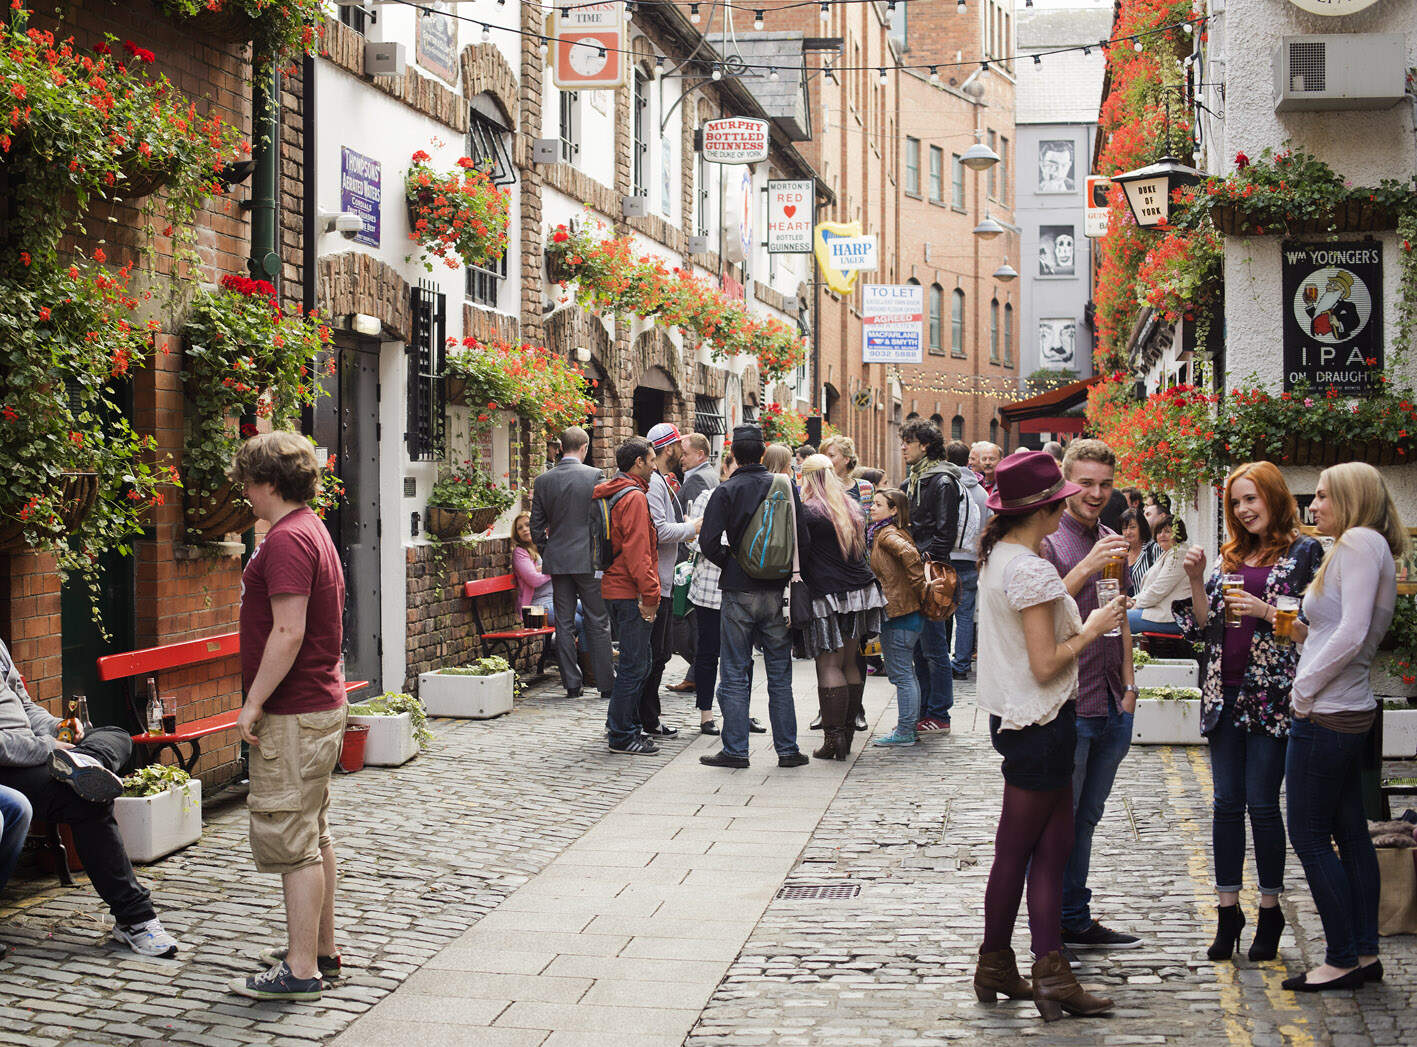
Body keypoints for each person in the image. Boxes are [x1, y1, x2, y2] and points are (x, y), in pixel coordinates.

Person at [973, 451, 1123, 1022]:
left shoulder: (1003, 556)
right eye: (1060, 498)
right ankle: (1030, 969)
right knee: (1027, 854)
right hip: (1039, 720)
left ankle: (1021, 966)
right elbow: (1045, 663)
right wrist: (1092, 629)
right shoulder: (1031, 568)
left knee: (1045, 850)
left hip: (1023, 719)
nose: (1067, 505)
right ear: (1043, 508)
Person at [1174, 461, 1323, 965]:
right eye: (1236, 502)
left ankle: (1271, 908)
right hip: (1224, 691)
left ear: (1274, 498)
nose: (1242, 509)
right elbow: (1202, 627)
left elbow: (1311, 628)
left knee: (1262, 805)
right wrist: (1196, 579)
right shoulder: (1230, 554)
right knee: (1224, 805)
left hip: (1272, 695)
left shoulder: (1305, 552)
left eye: (1251, 499)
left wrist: (1264, 612)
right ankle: (1227, 910)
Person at [229, 432, 349, 1001]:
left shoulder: (284, 540)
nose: (245, 493)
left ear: (269, 482)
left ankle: (300, 970)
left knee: (292, 840)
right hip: (318, 702)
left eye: (248, 482)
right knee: (314, 832)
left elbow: (289, 629)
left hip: (293, 711)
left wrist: (253, 700)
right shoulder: (312, 527)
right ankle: (320, 949)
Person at [1282, 462, 1404, 991]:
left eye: (1324, 496)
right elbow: (1334, 631)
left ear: (1352, 498)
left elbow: (1353, 633)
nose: (1314, 506)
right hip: (1347, 707)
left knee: (1308, 834)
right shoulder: (1366, 546)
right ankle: (1364, 953)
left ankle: (1340, 959)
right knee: (1350, 831)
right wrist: (1281, 620)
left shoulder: (1356, 542)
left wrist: (1304, 692)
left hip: (1327, 712)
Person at [0, 639, 178, 960]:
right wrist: (47, 748)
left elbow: (25, 707)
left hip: (40, 750)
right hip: (8, 767)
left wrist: (59, 726)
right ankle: (136, 918)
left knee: (116, 734)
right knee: (86, 800)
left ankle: (86, 762)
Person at [1039, 438, 1141, 952]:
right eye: (1085, 483)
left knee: (1088, 818)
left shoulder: (1109, 539)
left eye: (1105, 484)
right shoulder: (1049, 540)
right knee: (1062, 820)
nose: (1096, 493)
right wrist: (1088, 563)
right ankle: (1056, 924)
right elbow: (1044, 608)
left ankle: (1073, 916)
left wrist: (1129, 684)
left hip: (1110, 700)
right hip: (1070, 703)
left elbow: (1117, 611)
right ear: (1065, 479)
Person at [697, 425, 810, 769]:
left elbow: (708, 542)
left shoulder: (726, 489)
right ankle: (788, 750)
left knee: (734, 671)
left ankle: (735, 750)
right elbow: (801, 538)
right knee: (779, 672)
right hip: (777, 591)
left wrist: (734, 563)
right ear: (763, 453)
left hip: (739, 591)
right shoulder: (785, 485)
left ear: (733, 453)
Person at [798, 455, 886, 758]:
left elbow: (802, 555)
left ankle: (833, 741)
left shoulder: (808, 512)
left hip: (827, 593)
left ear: (807, 479)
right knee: (850, 662)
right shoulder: (852, 507)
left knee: (829, 664)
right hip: (860, 591)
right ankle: (846, 737)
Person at [529, 425, 614, 700]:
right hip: (588, 560)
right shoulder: (594, 476)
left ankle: (572, 685)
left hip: (558, 560)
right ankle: (605, 684)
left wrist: (548, 549)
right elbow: (604, 521)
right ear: (584, 447)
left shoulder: (543, 481)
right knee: (598, 620)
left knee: (564, 622)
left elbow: (535, 526)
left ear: (561, 447)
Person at [685, 451, 766, 736]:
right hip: (710, 588)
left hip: (743, 587)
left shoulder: (756, 494)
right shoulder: (708, 497)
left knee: (744, 656)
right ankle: (706, 715)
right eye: (735, 465)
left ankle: (741, 712)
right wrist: (730, 550)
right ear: (726, 467)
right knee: (707, 652)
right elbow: (694, 540)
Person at [595, 438, 662, 756]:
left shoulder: (616, 492)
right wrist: (650, 594)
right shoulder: (633, 498)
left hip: (616, 587)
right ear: (637, 462)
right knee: (635, 666)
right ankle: (621, 734)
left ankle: (628, 727)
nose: (654, 464)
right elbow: (639, 553)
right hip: (630, 591)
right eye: (650, 459)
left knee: (639, 663)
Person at [641, 423, 701, 737]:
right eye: (679, 445)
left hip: (664, 580)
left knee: (661, 652)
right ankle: (647, 718)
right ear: (669, 448)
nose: (682, 451)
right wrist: (694, 527)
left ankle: (649, 717)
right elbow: (661, 530)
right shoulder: (654, 484)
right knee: (655, 653)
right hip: (656, 581)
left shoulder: (662, 481)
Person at [901, 418, 960, 734]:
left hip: (932, 575)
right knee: (920, 649)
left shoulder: (941, 481)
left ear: (924, 445)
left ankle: (939, 713)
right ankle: (925, 709)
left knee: (935, 649)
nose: (903, 448)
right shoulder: (916, 478)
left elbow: (944, 533)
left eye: (907, 442)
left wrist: (923, 561)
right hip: (918, 573)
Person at [867, 490, 926, 747]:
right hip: (902, 611)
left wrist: (919, 587)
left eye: (878, 504)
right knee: (904, 674)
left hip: (900, 612)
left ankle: (905, 732)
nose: (872, 508)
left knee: (901, 675)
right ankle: (907, 727)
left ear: (894, 510)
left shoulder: (888, 534)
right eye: (872, 503)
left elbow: (911, 555)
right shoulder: (884, 531)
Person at [669, 433, 718, 694]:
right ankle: (696, 672)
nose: (681, 459)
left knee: (685, 623)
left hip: (690, 558)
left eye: (685, 454)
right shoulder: (706, 474)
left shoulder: (699, 480)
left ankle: (699, 670)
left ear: (700, 454)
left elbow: (697, 524)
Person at [946, 439, 989, 680]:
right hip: (971, 557)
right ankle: (961, 664)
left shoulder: (945, 484)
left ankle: (942, 661)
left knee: (941, 612)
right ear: (968, 461)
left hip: (947, 557)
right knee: (965, 614)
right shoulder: (981, 492)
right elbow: (987, 526)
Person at [1126, 515, 1190, 637]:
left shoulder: (1179, 554)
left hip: (1173, 617)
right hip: (1160, 612)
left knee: (1119, 620)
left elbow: (1159, 589)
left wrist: (1135, 604)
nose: (1162, 535)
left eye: (1167, 531)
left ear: (1178, 533)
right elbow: (1153, 588)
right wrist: (1133, 600)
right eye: (1159, 532)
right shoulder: (1169, 552)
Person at [511, 511, 554, 621]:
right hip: (535, 608)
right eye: (520, 528)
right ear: (517, 534)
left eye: (528, 525)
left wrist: (543, 568)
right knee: (577, 620)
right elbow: (534, 579)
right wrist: (553, 568)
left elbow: (565, 564)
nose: (524, 529)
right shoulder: (520, 552)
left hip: (556, 600)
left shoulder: (547, 545)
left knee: (587, 612)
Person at [1119, 508, 1158, 592]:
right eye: (1124, 528)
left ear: (1141, 527)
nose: (1128, 532)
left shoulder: (1153, 549)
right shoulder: (1121, 553)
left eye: (1132, 527)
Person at [821, 434, 864, 507]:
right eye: (824, 456)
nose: (826, 460)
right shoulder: (819, 487)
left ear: (846, 459)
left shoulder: (865, 488)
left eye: (831, 456)